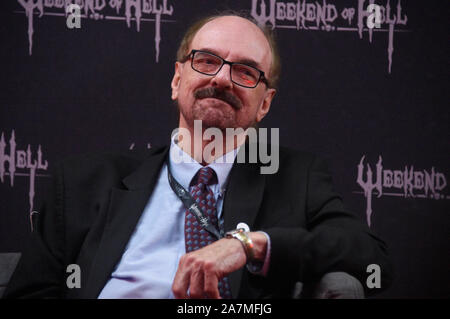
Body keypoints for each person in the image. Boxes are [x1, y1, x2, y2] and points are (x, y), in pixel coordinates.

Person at [4, 12, 392, 299]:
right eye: (206, 61)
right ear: (177, 80)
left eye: (245, 71)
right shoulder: (83, 183)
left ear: (264, 105)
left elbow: (371, 259)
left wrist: (249, 245)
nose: (221, 78)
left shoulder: (295, 178)